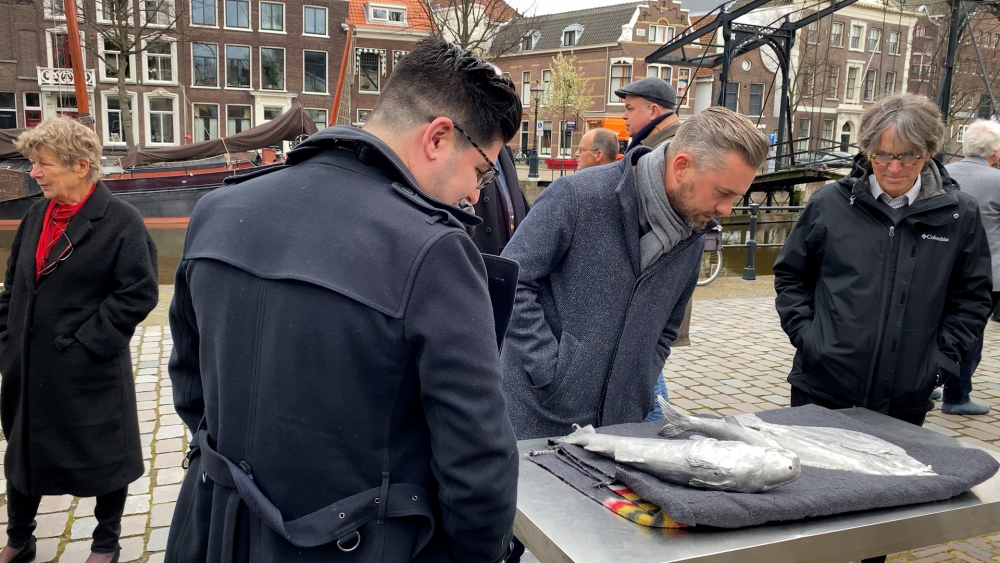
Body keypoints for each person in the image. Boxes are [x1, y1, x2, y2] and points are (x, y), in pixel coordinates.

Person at [165, 38, 521, 562]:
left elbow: (191, 387)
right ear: (439, 137)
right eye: (482, 171)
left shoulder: (217, 209)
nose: (476, 195)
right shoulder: (433, 251)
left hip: (213, 532)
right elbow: (478, 459)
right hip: (357, 545)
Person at [500, 107, 769, 441]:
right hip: (540, 419)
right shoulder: (577, 197)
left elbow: (667, 327)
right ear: (682, 166)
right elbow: (511, 282)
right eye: (722, 193)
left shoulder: (693, 234)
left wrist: (639, 385)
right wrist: (548, 368)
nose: (727, 210)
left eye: (736, 197)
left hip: (622, 427)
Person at [774, 93, 992, 431]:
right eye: (882, 155)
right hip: (822, 385)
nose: (893, 168)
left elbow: (972, 298)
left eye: (908, 157)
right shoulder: (829, 203)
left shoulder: (959, 214)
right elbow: (792, 276)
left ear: (928, 152)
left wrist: (938, 364)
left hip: (905, 395)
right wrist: (810, 339)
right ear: (867, 150)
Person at [0, 117, 158, 563]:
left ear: (81, 166)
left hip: (88, 369)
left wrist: (88, 342)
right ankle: (20, 539)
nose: (34, 172)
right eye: (34, 163)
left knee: (107, 455)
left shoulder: (121, 222)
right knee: (23, 452)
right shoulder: (36, 215)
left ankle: (105, 544)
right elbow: (13, 284)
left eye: (43, 164)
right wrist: (6, 338)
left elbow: (139, 292)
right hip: (28, 368)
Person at [937, 119, 1000, 415]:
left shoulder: (942, 174)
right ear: (996, 152)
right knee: (971, 332)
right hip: (987, 274)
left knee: (932, 325)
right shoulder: (997, 182)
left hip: (941, 267)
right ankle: (957, 396)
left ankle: (928, 380)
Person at [471, 145, 530, 255]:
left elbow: (518, 199)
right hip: (482, 250)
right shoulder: (472, 148)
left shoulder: (505, 153)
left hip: (511, 249)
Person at [616, 77, 680, 151]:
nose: (624, 116)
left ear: (653, 111)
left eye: (630, 109)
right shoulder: (668, 144)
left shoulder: (665, 152)